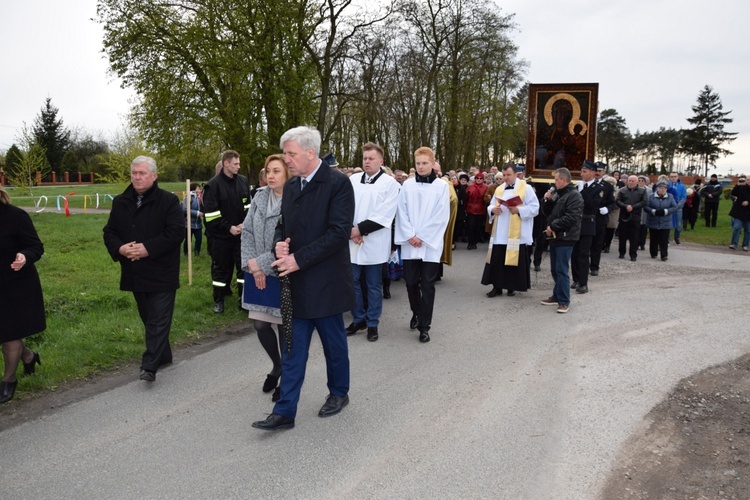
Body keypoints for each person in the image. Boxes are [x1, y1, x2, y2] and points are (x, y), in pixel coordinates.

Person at [251, 126, 355, 431]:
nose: (287, 159)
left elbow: (338, 233)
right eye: (285, 153)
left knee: (334, 344)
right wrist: (280, 244)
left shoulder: (337, 184)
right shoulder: (293, 185)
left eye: (291, 153)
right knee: (293, 348)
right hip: (295, 284)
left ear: (311, 153)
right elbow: (284, 226)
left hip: (326, 283)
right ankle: (285, 411)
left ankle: (339, 392)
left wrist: (298, 258)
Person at [103, 156, 184, 382]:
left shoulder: (168, 201)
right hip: (135, 273)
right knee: (149, 317)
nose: (137, 177)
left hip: (162, 272)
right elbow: (109, 232)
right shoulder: (121, 201)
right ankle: (164, 354)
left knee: (158, 318)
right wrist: (120, 249)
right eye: (134, 173)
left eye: (142, 173)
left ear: (154, 176)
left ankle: (149, 365)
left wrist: (147, 248)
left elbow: (176, 232)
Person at [241, 154, 289, 402]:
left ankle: (286, 380)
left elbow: (285, 243)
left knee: (284, 326)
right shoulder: (259, 196)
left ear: (287, 174)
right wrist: (252, 265)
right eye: (268, 171)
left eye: (277, 171)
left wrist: (260, 265)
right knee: (260, 324)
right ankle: (277, 365)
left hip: (280, 272)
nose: (271, 175)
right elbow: (247, 231)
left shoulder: (294, 200)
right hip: (257, 271)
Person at [394, 147, 450, 343]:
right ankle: (416, 312)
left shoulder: (441, 187)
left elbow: (442, 215)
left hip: (430, 244)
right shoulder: (407, 186)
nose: (421, 166)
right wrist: (410, 235)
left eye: (425, 163)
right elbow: (401, 212)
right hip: (411, 243)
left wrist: (423, 236)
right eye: (418, 163)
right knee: (410, 283)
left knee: (427, 285)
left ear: (433, 164)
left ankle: (424, 326)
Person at [346, 142, 400, 342]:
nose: (367, 162)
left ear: (381, 161)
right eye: (365, 158)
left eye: (371, 158)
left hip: (375, 240)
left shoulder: (390, 184)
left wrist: (359, 229)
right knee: (352, 282)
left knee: (373, 284)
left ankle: (372, 322)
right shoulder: (352, 180)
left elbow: (385, 214)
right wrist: (351, 231)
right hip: (352, 240)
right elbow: (344, 206)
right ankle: (358, 318)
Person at [0, 187, 45, 404]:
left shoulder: (15, 215)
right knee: (6, 332)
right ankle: (28, 356)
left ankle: (8, 380)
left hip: (14, 284)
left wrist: (24, 256)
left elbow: (36, 246)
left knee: (9, 333)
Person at [203, 150, 251, 313]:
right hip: (221, 237)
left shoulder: (243, 181)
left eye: (239, 163)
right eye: (236, 164)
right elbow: (211, 215)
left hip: (241, 235)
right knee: (221, 270)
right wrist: (228, 227)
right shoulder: (212, 185)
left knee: (242, 269)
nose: (239, 166)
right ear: (226, 164)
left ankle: (243, 300)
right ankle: (219, 300)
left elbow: (248, 207)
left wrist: (243, 224)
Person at [481, 163, 539, 297]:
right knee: (498, 259)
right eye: (504, 175)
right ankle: (497, 287)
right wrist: (492, 210)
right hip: (500, 230)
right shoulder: (499, 189)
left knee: (513, 260)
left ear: (516, 174)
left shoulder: (526, 188)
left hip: (516, 233)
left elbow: (535, 208)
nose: (506, 178)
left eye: (509, 175)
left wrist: (519, 210)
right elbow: (490, 206)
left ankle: (511, 286)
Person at [540, 168, 582, 314]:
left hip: (566, 236)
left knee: (562, 269)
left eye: (557, 180)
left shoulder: (574, 195)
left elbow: (572, 217)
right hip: (555, 236)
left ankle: (564, 301)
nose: (554, 182)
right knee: (554, 269)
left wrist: (553, 226)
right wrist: (546, 199)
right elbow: (547, 212)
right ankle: (556, 296)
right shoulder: (558, 194)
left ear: (564, 180)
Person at [571, 160, 607, 294]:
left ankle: (583, 282)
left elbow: (592, 205)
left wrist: (583, 191)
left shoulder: (599, 188)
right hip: (575, 223)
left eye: (585, 172)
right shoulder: (578, 187)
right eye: (581, 171)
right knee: (574, 253)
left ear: (592, 173)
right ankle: (575, 279)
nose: (582, 174)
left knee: (584, 254)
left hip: (588, 223)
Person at [589, 162, 615, 276]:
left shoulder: (608, 186)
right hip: (588, 217)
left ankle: (594, 266)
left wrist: (607, 209)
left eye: (600, 171)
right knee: (585, 244)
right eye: (596, 171)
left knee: (597, 244)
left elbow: (612, 203)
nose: (597, 173)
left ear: (604, 172)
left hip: (600, 218)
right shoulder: (587, 184)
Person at [615, 174, 648, 261]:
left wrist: (633, 207)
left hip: (636, 216)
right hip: (624, 216)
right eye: (630, 180)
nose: (631, 182)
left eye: (633, 181)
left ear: (636, 182)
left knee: (634, 237)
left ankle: (633, 255)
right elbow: (617, 200)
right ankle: (621, 253)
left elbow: (644, 201)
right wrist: (626, 206)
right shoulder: (622, 190)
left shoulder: (642, 191)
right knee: (622, 236)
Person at [645, 180, 678, 261]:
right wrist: (653, 211)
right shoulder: (651, 196)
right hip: (653, 220)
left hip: (665, 221)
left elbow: (674, 207)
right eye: (660, 188)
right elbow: (646, 207)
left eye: (664, 188)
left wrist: (666, 211)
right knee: (653, 238)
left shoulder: (670, 196)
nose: (662, 189)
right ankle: (653, 253)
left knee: (664, 239)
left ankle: (664, 255)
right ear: (657, 188)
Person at [465, 172, 487, 249]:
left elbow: (485, 200)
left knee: (478, 227)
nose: (479, 180)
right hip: (470, 209)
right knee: (470, 226)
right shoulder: (470, 187)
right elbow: (466, 198)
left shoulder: (485, 188)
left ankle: (474, 242)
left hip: (480, 210)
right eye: (477, 178)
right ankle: (470, 243)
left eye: (481, 178)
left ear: (483, 179)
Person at [728, 176, 750, 250]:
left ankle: (745, 245)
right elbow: (734, 193)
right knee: (737, 227)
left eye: (749, 180)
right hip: (739, 211)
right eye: (747, 180)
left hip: (748, 213)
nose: (748, 181)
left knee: (748, 229)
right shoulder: (742, 187)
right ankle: (734, 244)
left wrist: (748, 202)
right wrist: (737, 185)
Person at [182, 183, 203, 256]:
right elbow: (185, 209)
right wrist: (197, 213)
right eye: (198, 188)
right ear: (193, 189)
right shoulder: (188, 197)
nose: (199, 190)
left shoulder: (200, 198)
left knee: (199, 239)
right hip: (189, 224)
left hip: (198, 224)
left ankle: (197, 253)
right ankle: (186, 252)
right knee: (188, 239)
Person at [668, 172, 687, 244]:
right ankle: (667, 239)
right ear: (669, 177)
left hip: (678, 208)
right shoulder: (667, 185)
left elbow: (683, 197)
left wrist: (678, 206)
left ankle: (676, 237)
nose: (673, 178)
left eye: (675, 176)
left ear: (678, 177)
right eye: (672, 176)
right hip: (669, 208)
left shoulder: (682, 186)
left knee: (678, 225)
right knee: (668, 224)